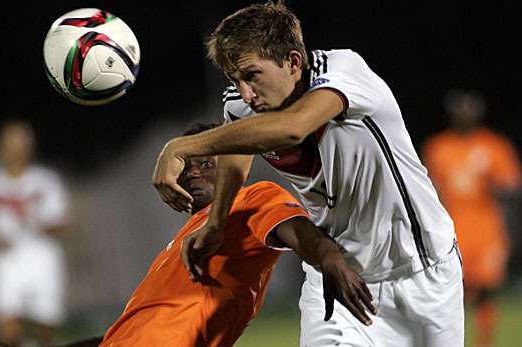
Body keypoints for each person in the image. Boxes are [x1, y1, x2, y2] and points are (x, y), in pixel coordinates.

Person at [152, 2, 464, 346]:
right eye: (234, 80)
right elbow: (236, 152)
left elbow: (293, 129)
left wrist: (182, 147)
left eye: (252, 75)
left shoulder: (346, 71)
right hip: (337, 274)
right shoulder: (240, 104)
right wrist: (217, 222)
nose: (245, 93)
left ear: (293, 61)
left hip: (423, 273)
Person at [0, 122, 371, 347]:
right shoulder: (193, 228)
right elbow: (131, 331)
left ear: (232, 165)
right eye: (187, 166)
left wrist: (330, 258)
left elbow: (298, 231)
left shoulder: (252, 199)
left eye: (206, 163)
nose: (193, 172)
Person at [423, 89, 521, 347]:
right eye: (459, 110)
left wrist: (494, 185)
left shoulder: (494, 147)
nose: (464, 115)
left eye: (469, 110)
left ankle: (483, 342)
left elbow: (512, 189)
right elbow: (428, 190)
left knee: (487, 290)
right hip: (453, 230)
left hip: (487, 229)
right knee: (454, 292)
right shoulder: (438, 147)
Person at [0, 120, 69, 346]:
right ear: (0, 146)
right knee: (7, 329)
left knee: (45, 330)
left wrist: (33, 219)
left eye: (21, 143)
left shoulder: (46, 180)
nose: (16, 149)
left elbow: (62, 224)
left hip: (42, 257)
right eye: (11, 143)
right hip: (7, 260)